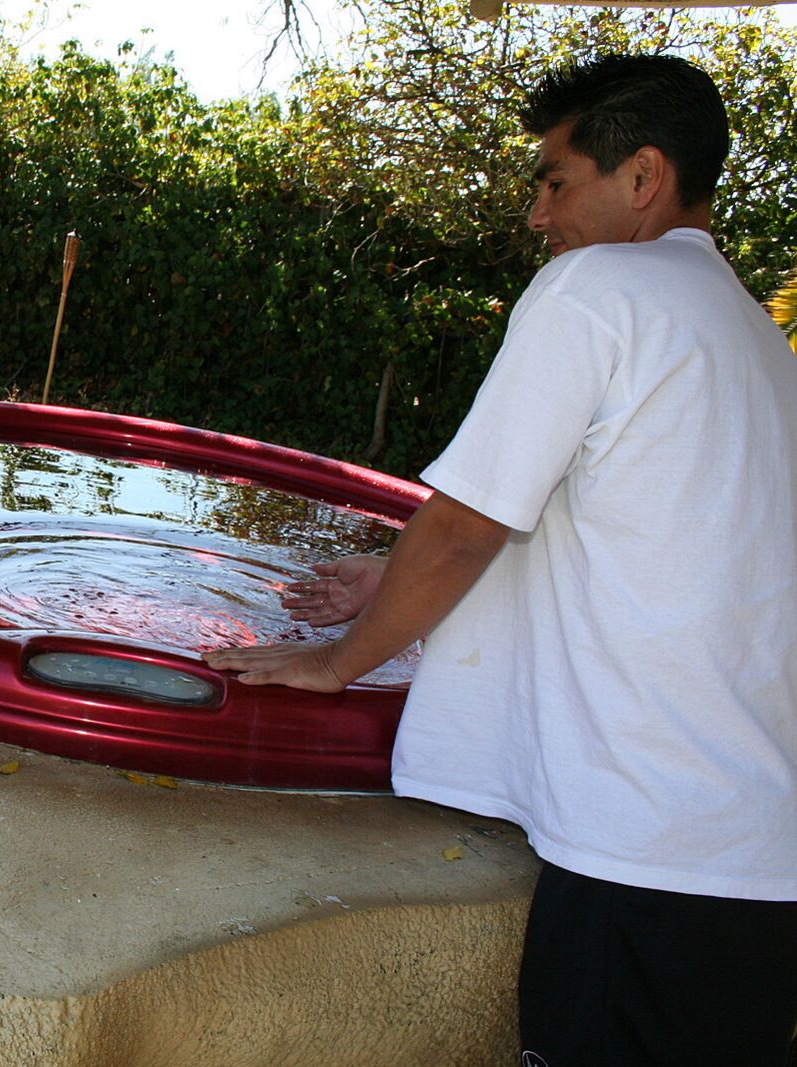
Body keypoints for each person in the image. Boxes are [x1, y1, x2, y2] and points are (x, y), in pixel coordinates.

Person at [206, 55, 797, 1065]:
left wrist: (336, 660)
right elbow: (639, 544)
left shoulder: (597, 290)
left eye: (555, 180)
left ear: (642, 176)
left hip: (644, 856)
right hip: (753, 864)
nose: (536, 214)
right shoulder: (748, 337)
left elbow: (469, 524)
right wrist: (387, 579)